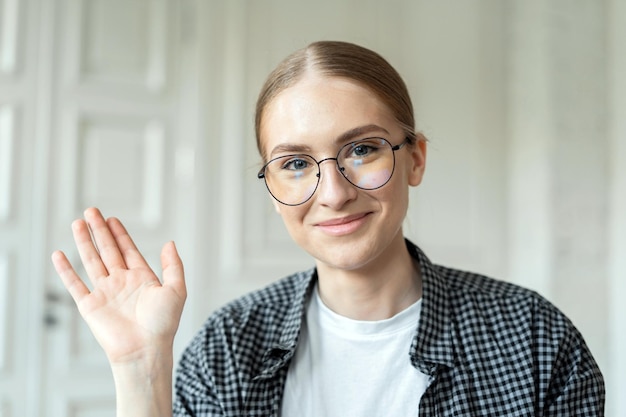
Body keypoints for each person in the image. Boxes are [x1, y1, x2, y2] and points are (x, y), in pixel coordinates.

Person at [51, 40, 605, 416]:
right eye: (295, 164)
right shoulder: (225, 348)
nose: (334, 192)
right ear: (272, 188)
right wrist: (141, 370)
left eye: (362, 149)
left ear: (416, 159)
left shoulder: (533, 339)